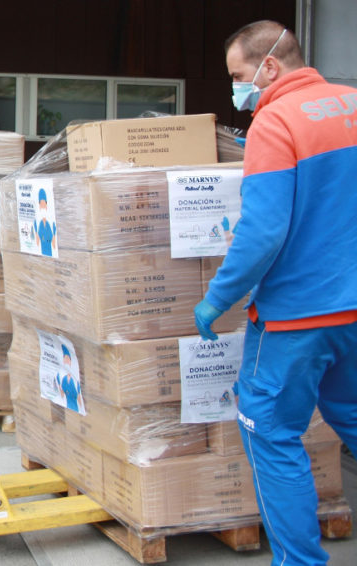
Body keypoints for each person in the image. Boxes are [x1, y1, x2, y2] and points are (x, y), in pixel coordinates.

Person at [194, 20, 357, 566]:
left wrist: (218, 298)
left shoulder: (276, 121)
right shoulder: (353, 104)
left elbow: (262, 233)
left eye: (238, 76)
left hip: (295, 319)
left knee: (272, 435)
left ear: (269, 66)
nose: (236, 90)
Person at [34, 188, 56, 257]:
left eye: (44, 203)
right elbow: (38, 235)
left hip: (48, 244)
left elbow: (52, 232)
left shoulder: (49, 220)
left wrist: (53, 238)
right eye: (41, 203)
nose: (43, 205)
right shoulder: (39, 221)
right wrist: (37, 235)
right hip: (43, 244)